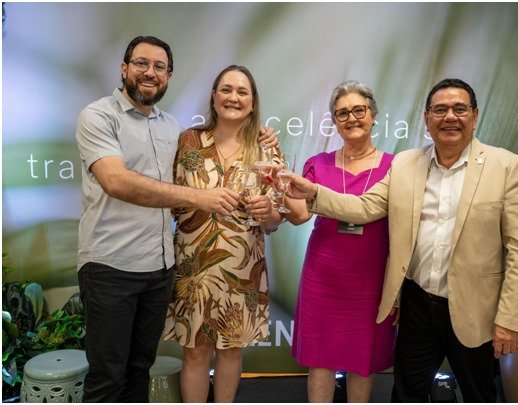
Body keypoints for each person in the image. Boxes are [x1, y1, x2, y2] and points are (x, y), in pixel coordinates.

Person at [286, 78, 518, 402]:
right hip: (417, 305)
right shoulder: (406, 164)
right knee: (408, 393)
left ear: (474, 116)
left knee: (478, 392)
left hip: (474, 307)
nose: (450, 116)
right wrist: (314, 192)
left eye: (459, 109)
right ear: (427, 118)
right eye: (440, 109)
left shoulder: (505, 166)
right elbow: (363, 207)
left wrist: (509, 319)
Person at [75, 37, 277, 402]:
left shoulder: (173, 128)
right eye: (141, 64)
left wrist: (270, 212)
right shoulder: (109, 119)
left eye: (160, 67)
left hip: (168, 266)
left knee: (141, 366)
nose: (150, 73)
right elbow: (117, 181)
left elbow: (278, 214)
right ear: (124, 69)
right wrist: (202, 198)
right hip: (125, 264)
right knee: (109, 373)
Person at [163, 65, 284, 403]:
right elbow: (171, 200)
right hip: (195, 270)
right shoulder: (189, 141)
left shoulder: (267, 148)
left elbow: (276, 219)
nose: (234, 97)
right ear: (214, 96)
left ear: (252, 101)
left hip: (243, 270)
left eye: (242, 91)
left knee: (231, 353)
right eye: (226, 89)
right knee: (196, 354)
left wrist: (269, 214)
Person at [283, 80, 397, 402]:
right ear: (334, 121)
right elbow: (301, 215)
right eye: (341, 113)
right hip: (324, 274)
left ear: (373, 114)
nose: (351, 118)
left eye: (358, 110)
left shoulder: (395, 167)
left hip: (370, 278)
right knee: (320, 359)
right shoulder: (317, 164)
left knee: (362, 362)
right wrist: (281, 190)